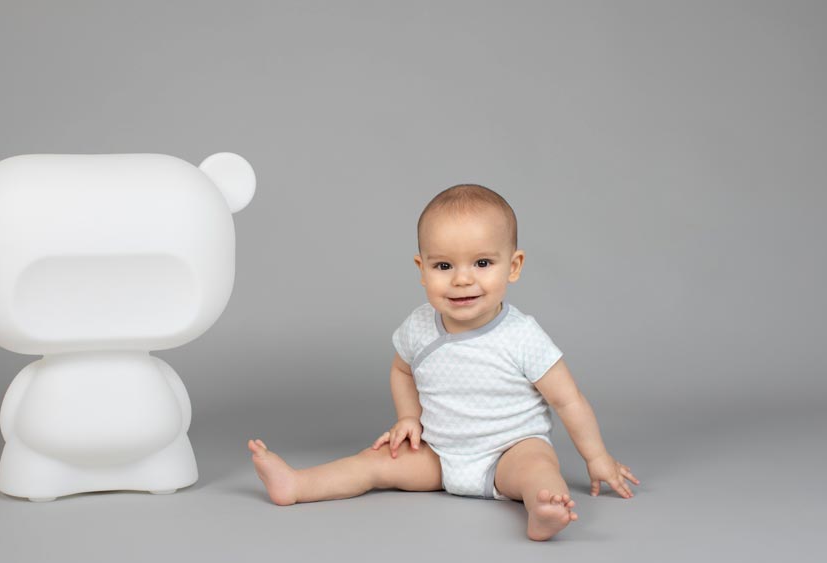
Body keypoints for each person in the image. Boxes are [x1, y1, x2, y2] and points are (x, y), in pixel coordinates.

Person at [248, 184, 639, 541]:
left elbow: (568, 400)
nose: (462, 280)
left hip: (510, 449)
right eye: (444, 266)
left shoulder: (522, 336)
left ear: (514, 266)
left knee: (538, 469)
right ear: (422, 270)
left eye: (482, 263)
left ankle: (543, 510)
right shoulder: (419, 325)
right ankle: (296, 485)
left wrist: (597, 457)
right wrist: (408, 418)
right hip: (439, 453)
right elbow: (402, 369)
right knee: (373, 464)